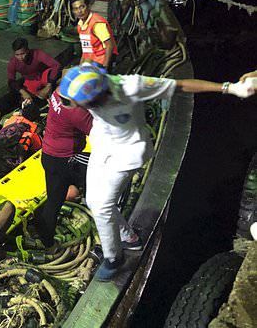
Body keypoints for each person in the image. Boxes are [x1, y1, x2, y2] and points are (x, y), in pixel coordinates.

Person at [59, 64, 256, 281]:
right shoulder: (88, 77)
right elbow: (75, 75)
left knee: (103, 206)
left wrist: (229, 88)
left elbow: (181, 85)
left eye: (78, 103)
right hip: (103, 143)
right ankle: (129, 237)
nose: (74, 105)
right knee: (93, 202)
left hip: (127, 152)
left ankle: (114, 258)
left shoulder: (131, 86)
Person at [35, 86, 93, 250]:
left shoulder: (58, 92)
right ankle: (95, 205)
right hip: (66, 159)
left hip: (49, 156)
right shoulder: (75, 112)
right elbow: (99, 132)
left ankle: (47, 241)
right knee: (99, 168)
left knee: (54, 201)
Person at [0, 37, 61, 114]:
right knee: (30, 99)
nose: (20, 57)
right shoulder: (13, 63)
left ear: (28, 50)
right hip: (30, 81)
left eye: (23, 53)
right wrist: (23, 91)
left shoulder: (37, 54)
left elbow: (56, 65)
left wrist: (49, 85)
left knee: (58, 77)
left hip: (44, 75)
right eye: (17, 55)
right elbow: (11, 81)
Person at [70, 0, 118, 69]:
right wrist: (80, 67)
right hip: (93, 59)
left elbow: (109, 45)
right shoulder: (80, 25)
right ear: (73, 11)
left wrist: (104, 67)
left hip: (104, 59)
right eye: (76, 9)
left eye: (82, 7)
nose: (79, 11)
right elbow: (86, 50)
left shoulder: (97, 23)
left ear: (88, 6)